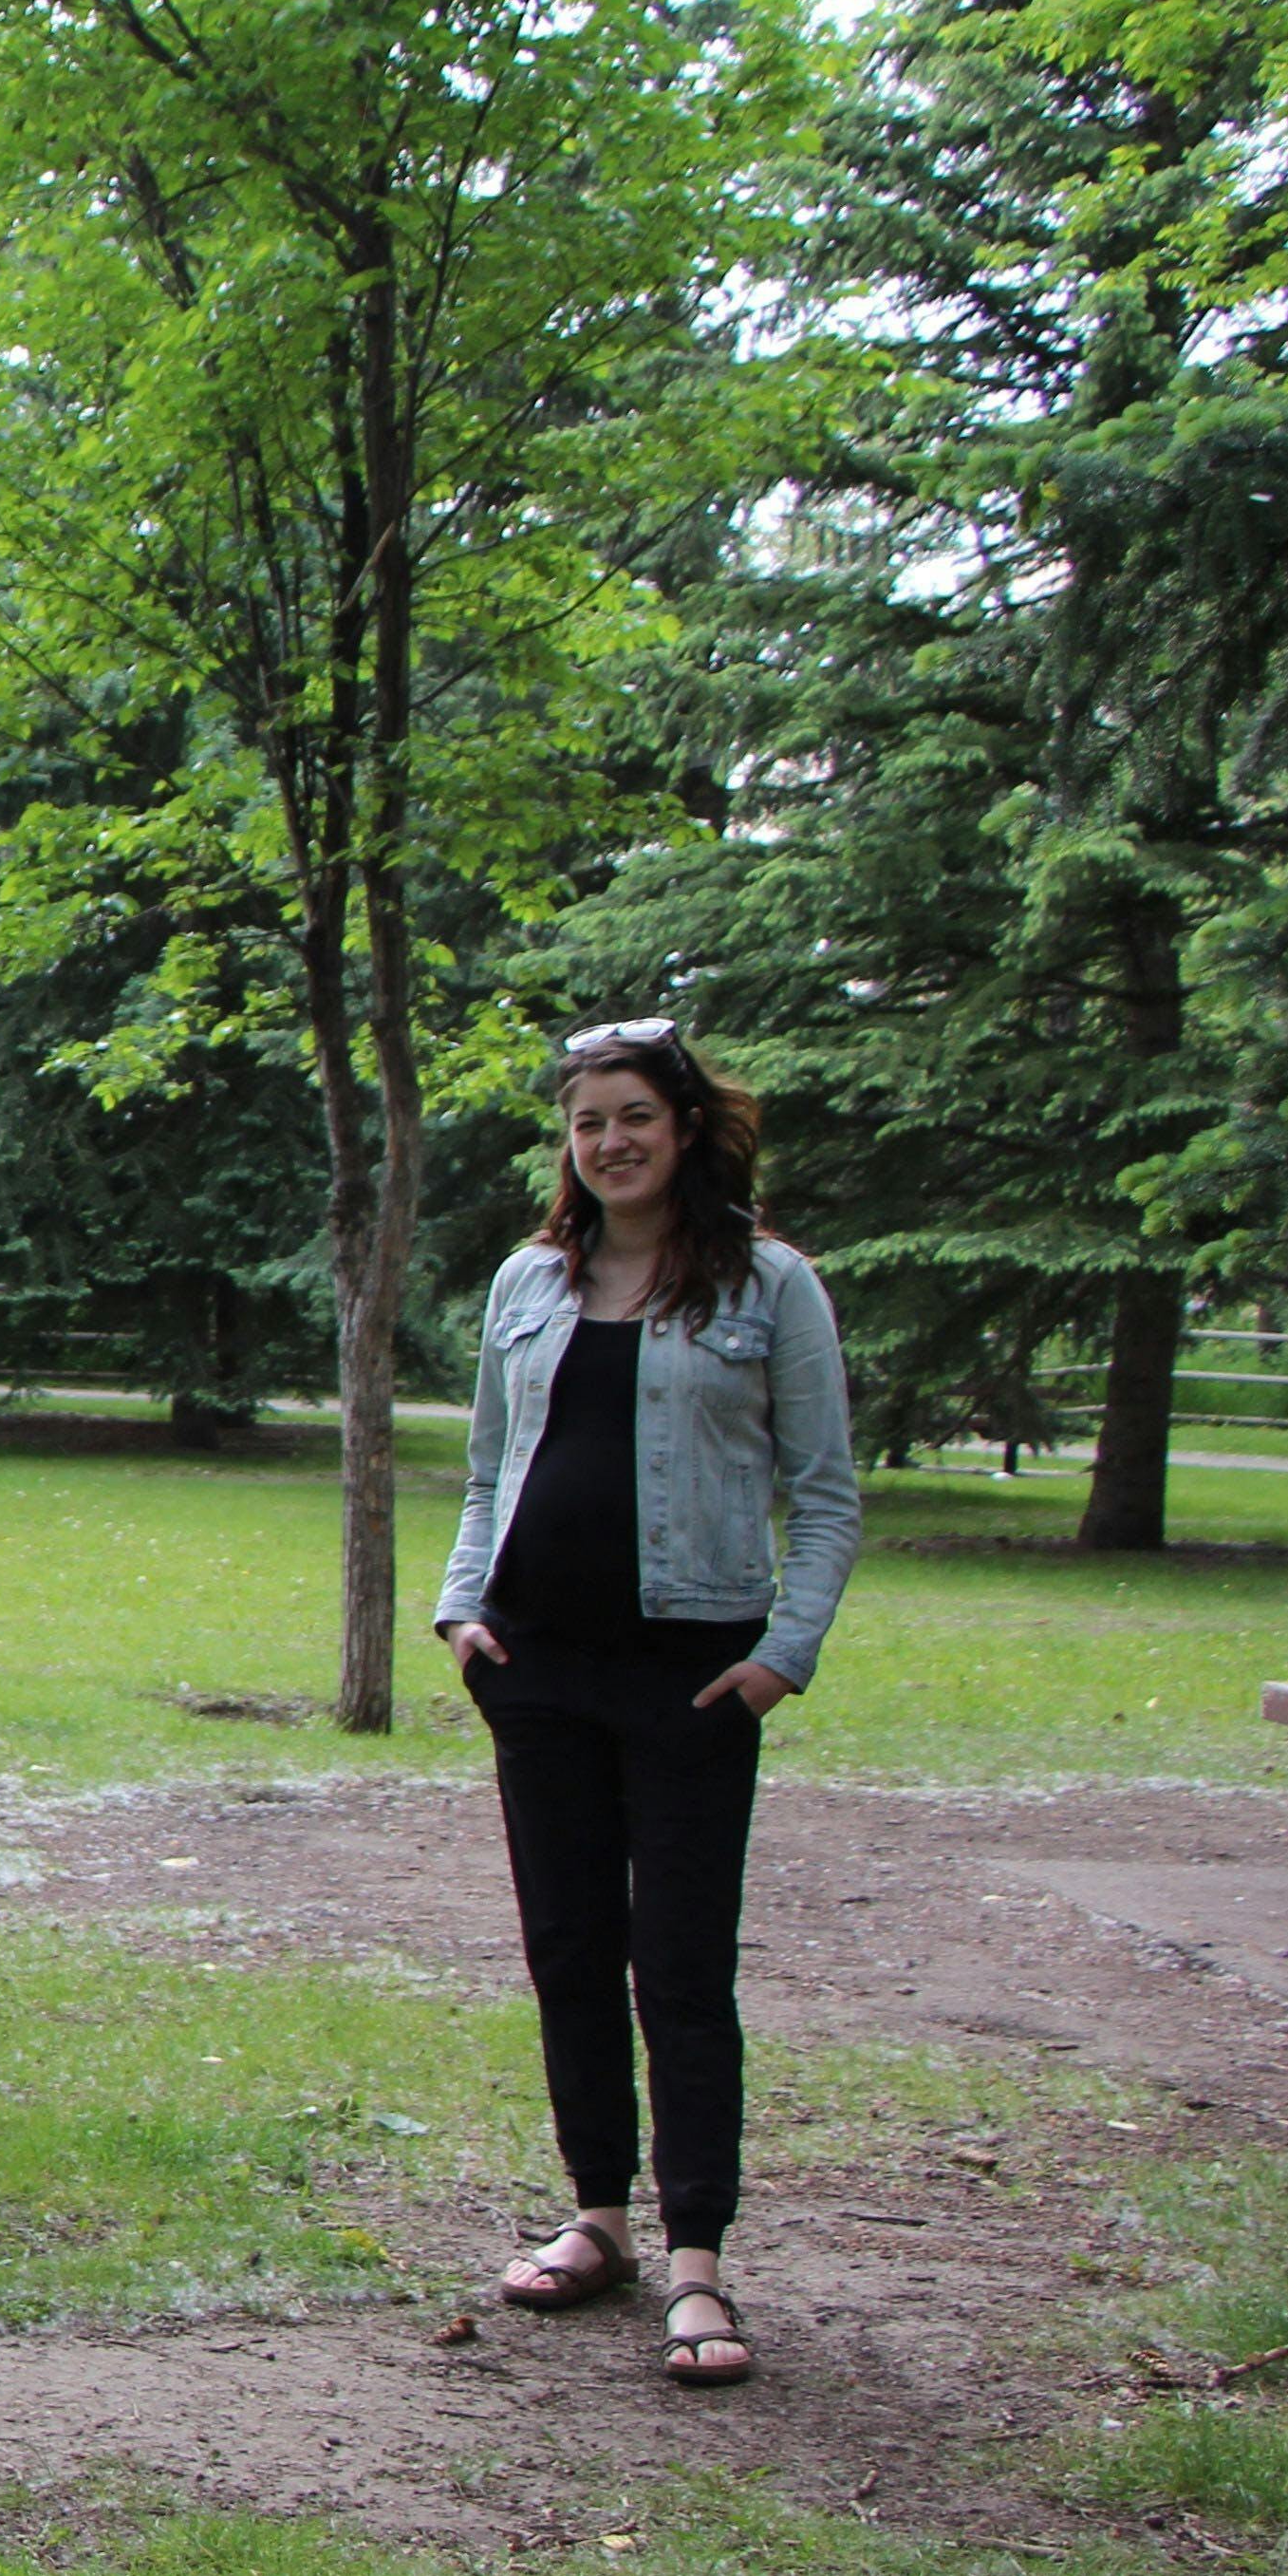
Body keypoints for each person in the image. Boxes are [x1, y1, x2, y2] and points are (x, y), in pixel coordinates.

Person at [437, 1019, 862, 2389]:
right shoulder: (528, 1282)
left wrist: (782, 1652)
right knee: (567, 1946)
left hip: (692, 1669)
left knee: (680, 1963)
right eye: (588, 1124)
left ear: (685, 1128)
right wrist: (462, 1612)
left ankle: (699, 2262)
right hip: (538, 1666)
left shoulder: (767, 1284)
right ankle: (598, 2219)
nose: (610, 1142)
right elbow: (488, 1472)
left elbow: (829, 1490)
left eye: (634, 1116)